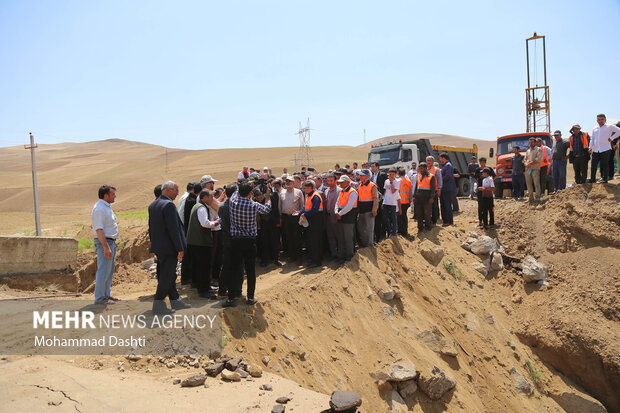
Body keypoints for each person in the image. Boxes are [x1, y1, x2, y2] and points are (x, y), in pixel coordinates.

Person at [225, 182, 272, 307]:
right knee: (250, 271)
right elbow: (267, 209)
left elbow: (235, 192)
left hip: (235, 241)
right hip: (250, 241)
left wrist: (246, 184)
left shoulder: (233, 202)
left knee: (234, 269)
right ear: (251, 194)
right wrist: (267, 196)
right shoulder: (253, 205)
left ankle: (231, 298)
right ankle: (250, 297)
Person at [148, 180, 190, 315]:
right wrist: (180, 248)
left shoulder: (153, 205)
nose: (177, 194)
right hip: (169, 248)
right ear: (167, 190)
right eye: (176, 191)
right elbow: (174, 229)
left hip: (160, 247)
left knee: (168, 275)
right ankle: (158, 306)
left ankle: (176, 301)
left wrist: (154, 245)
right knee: (167, 276)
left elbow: (151, 228)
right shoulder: (168, 205)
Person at [186, 190, 220, 299]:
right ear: (205, 197)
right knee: (204, 266)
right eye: (211, 197)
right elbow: (205, 224)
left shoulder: (197, 206)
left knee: (197, 265)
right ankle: (204, 290)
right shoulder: (201, 208)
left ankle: (198, 285)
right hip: (200, 242)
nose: (212, 200)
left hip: (194, 242)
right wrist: (216, 222)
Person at [91, 185, 119, 305]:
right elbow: (99, 229)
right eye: (112, 194)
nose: (115, 196)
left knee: (109, 270)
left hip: (110, 241)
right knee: (103, 270)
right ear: (105, 195)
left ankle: (106, 295)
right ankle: (100, 298)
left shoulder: (106, 207)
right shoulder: (99, 209)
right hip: (105, 242)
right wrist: (106, 247)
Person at [297, 180, 325, 268]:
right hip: (311, 222)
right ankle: (313, 259)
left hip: (316, 222)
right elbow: (306, 207)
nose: (303, 189)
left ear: (310, 188)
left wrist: (304, 214)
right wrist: (299, 212)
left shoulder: (315, 196)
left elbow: (314, 209)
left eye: (305, 188)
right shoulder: (308, 196)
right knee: (311, 241)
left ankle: (317, 261)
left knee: (315, 241)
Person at [217, 184, 237, 297]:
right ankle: (233, 290)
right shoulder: (236, 206)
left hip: (225, 239)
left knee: (225, 265)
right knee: (235, 266)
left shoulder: (221, 207)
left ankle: (222, 289)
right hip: (235, 239)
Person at [180, 182, 202, 285]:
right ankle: (186, 278)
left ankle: (186, 278)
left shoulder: (188, 198)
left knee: (188, 255)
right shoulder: (192, 200)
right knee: (189, 256)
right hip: (190, 231)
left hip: (185, 229)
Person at [279, 175, 304, 265]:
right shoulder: (282, 192)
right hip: (285, 218)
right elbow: (280, 207)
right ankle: (292, 256)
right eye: (287, 181)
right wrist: (280, 218)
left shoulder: (299, 192)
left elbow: (302, 206)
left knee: (297, 237)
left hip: (295, 217)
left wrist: (301, 217)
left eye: (290, 181)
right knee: (288, 237)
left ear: (294, 183)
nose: (288, 183)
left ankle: (299, 257)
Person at [590, 114, 620, 183]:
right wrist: (590, 147)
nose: (600, 121)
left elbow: (619, 131)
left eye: (602, 119)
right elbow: (592, 138)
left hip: (605, 148)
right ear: (597, 120)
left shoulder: (609, 126)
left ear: (605, 119)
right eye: (599, 119)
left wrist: (612, 138)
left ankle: (605, 179)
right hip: (596, 149)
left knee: (605, 165)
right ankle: (592, 179)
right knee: (593, 165)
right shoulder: (595, 128)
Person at [335, 175, 358, 263]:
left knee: (348, 238)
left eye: (342, 182)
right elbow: (337, 203)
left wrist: (339, 213)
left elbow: (349, 206)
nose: (340, 184)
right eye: (340, 182)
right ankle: (341, 255)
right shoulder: (341, 192)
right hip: (341, 218)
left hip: (349, 218)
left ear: (348, 182)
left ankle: (349, 256)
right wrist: (336, 211)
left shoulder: (353, 192)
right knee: (340, 238)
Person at [356, 169, 378, 247]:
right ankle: (365, 244)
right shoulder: (359, 185)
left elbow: (376, 198)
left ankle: (370, 245)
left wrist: (374, 209)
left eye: (362, 175)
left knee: (369, 228)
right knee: (360, 228)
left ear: (367, 176)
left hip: (369, 210)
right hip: (361, 211)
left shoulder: (372, 185)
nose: (360, 176)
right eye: (360, 175)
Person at [413, 163, 435, 232]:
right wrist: (414, 196)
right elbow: (416, 187)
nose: (420, 170)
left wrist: (431, 197)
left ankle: (428, 227)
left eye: (422, 168)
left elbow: (433, 188)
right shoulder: (419, 176)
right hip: (419, 198)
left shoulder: (431, 176)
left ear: (425, 168)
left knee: (427, 213)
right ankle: (420, 228)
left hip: (427, 198)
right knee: (419, 213)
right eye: (419, 168)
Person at [323, 174, 341, 259]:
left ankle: (340, 254)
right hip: (328, 216)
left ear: (335, 181)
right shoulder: (326, 191)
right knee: (330, 236)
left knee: (338, 236)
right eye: (328, 181)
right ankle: (333, 254)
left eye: (331, 181)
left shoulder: (340, 191)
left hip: (336, 216)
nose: (329, 182)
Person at [474, 158, 496, 226]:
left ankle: (491, 222)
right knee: (480, 206)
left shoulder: (489, 169)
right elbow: (475, 178)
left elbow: (494, 176)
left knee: (489, 207)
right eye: (481, 162)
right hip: (480, 190)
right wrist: (480, 184)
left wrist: (490, 182)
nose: (482, 163)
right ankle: (481, 220)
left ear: (485, 162)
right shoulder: (478, 170)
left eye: (483, 162)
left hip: (488, 191)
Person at [370, 162, 388, 242]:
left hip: (381, 199)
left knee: (381, 218)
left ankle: (381, 235)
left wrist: (383, 198)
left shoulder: (383, 175)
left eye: (373, 166)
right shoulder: (372, 177)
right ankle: (375, 236)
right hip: (374, 199)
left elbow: (386, 187)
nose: (372, 168)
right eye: (371, 166)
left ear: (377, 167)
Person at [383, 167, 401, 236]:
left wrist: (391, 182)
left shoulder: (397, 181)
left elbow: (393, 191)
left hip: (393, 202)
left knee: (393, 218)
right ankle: (389, 231)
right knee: (386, 218)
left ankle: (394, 232)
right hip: (386, 202)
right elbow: (385, 191)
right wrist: (383, 201)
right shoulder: (386, 181)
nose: (391, 176)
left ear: (395, 174)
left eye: (392, 174)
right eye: (390, 174)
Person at [439, 153, 456, 227]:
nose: (440, 160)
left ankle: (449, 221)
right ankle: (445, 221)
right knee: (443, 205)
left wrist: (439, 180)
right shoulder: (445, 166)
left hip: (448, 188)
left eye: (441, 158)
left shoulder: (448, 165)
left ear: (444, 158)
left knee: (447, 205)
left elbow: (448, 176)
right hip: (444, 188)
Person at [524, 138, 542, 202]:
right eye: (530, 142)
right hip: (528, 169)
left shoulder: (538, 150)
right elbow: (524, 159)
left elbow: (537, 159)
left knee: (536, 183)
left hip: (535, 169)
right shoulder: (528, 151)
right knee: (528, 183)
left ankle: (537, 197)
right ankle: (530, 197)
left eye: (532, 142)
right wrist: (526, 164)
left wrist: (530, 163)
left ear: (535, 143)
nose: (531, 144)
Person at [426, 156, 442, 225]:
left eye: (430, 160)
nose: (429, 162)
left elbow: (439, 179)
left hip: (434, 190)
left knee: (434, 205)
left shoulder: (436, 170)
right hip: (427, 190)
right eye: (428, 160)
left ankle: (435, 220)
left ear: (433, 162)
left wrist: (439, 189)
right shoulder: (425, 169)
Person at [397, 168, 412, 235]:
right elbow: (411, 192)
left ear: (398, 173)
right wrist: (410, 201)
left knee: (399, 217)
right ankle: (405, 230)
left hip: (399, 202)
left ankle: (400, 231)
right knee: (404, 216)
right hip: (406, 202)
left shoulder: (397, 181)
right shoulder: (409, 181)